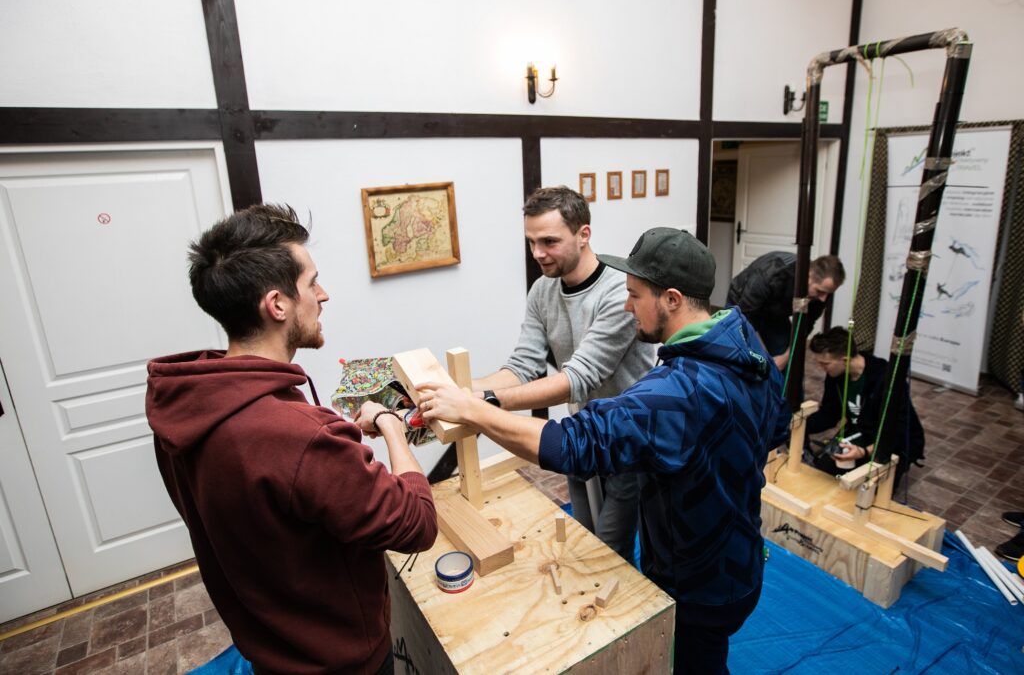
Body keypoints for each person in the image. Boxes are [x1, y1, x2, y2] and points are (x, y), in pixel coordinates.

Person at [418, 227, 789, 675]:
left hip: (698, 586)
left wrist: (474, 410)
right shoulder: (743, 340)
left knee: (696, 663)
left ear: (671, 299)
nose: (627, 306)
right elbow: (776, 427)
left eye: (634, 295)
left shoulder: (677, 392)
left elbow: (569, 443)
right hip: (742, 556)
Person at [145, 204, 437, 675]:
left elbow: (270, 499)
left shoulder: (185, 407)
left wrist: (329, 446)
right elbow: (417, 524)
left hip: (271, 649)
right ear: (277, 304)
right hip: (342, 661)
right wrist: (391, 429)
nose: (323, 295)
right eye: (311, 283)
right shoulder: (299, 438)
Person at [469, 186, 655, 561]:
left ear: (583, 234)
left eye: (549, 241)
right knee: (586, 538)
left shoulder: (619, 291)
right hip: (583, 434)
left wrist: (486, 402)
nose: (538, 253)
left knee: (610, 551)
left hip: (627, 440)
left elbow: (578, 379)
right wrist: (464, 388)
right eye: (531, 241)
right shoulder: (542, 291)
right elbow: (522, 365)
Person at [805, 327, 924, 486]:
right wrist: (797, 424)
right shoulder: (835, 376)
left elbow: (898, 431)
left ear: (845, 359)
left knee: (866, 492)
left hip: (892, 442)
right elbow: (830, 413)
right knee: (823, 476)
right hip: (860, 433)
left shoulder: (887, 379)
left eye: (825, 364)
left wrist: (864, 451)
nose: (822, 368)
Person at [727, 251, 845, 370]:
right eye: (820, 291)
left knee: (790, 361)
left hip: (776, 312)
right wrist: (761, 356)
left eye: (828, 294)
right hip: (741, 304)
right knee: (738, 355)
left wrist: (785, 357)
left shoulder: (820, 295)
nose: (823, 298)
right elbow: (745, 319)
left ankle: (788, 388)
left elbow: (804, 325)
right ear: (808, 276)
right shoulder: (771, 274)